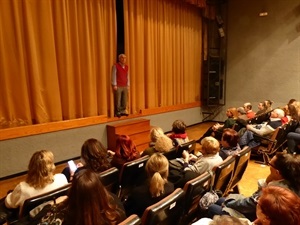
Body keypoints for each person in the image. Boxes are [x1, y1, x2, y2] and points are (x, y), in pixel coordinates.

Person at [206, 152, 300, 221]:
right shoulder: (291, 181)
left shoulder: (276, 189)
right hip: (257, 213)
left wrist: (228, 203)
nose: (268, 165)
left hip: (254, 217)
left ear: (277, 172)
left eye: (270, 164)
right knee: (220, 199)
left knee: (212, 208)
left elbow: (251, 204)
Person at [32, 169, 126, 225]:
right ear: (100, 189)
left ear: (72, 192)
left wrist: (53, 204)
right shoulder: (116, 208)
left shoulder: (60, 216)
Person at [4, 150, 68, 215]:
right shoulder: (62, 178)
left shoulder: (23, 189)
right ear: (52, 166)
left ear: (31, 167)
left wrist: (11, 194)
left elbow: (9, 204)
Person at [111, 53, 130, 117]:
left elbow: (127, 76)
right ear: (119, 59)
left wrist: (128, 84)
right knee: (118, 99)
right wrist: (114, 84)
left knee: (124, 99)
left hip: (125, 85)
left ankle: (123, 110)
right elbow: (114, 75)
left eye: (125, 58)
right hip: (118, 85)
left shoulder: (127, 67)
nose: (124, 59)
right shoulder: (115, 66)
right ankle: (118, 112)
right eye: (122, 58)